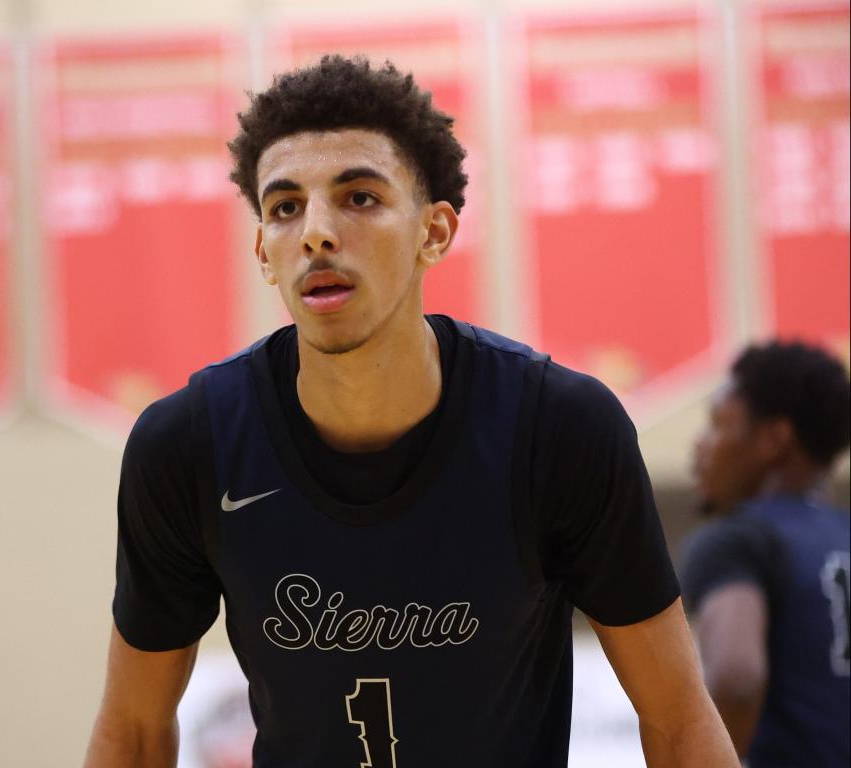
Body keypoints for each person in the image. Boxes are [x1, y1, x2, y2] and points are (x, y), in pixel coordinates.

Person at [84, 55, 736, 767]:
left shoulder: (561, 428)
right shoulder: (187, 446)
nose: (318, 233)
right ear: (265, 253)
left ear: (435, 232)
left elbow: (677, 720)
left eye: (359, 197)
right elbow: (135, 733)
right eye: (285, 207)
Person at [683, 341, 851, 766]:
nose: (701, 446)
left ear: (774, 438)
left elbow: (736, 680)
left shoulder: (740, 539)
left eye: (718, 424)